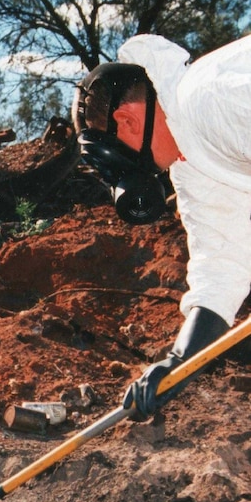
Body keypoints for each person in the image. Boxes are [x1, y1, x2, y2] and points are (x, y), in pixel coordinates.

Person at [72, 33, 251, 420]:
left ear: (128, 120)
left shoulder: (209, 99)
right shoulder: (192, 164)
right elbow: (222, 267)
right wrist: (179, 361)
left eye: (121, 162)